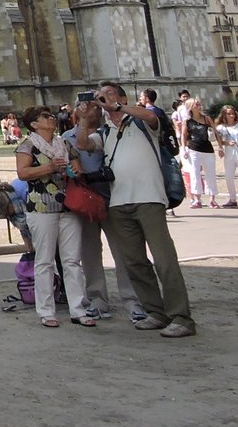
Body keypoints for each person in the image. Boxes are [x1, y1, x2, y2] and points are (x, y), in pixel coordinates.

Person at [84, 81, 196, 336]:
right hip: (119, 203)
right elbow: (83, 144)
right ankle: (155, 311)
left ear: (123, 98)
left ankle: (181, 317)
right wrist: (84, 118)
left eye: (109, 94)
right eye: (100, 96)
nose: (104, 99)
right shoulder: (104, 132)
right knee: (134, 262)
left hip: (149, 199)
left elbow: (150, 115)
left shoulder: (143, 122)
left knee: (164, 259)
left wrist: (119, 106)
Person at [64, 100, 141, 322]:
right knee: (89, 252)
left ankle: (132, 299)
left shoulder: (110, 133)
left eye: (96, 107)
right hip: (85, 199)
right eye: (86, 107)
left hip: (113, 196)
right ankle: (97, 298)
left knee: (122, 251)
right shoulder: (67, 137)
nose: (92, 111)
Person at [15, 105, 91, 327]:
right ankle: (46, 311)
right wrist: (49, 167)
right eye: (45, 117)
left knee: (71, 260)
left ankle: (78, 308)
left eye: (51, 116)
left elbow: (78, 168)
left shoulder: (64, 143)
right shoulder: (27, 146)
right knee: (45, 260)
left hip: (68, 205)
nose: (52, 119)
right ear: (34, 124)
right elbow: (23, 173)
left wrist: (74, 171)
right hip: (41, 207)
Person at [213, 104, 238, 209]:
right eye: (228, 114)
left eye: (232, 113)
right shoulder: (220, 128)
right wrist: (225, 143)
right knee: (229, 177)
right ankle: (232, 199)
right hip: (229, 154)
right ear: (224, 115)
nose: (231, 116)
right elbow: (217, 140)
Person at [181, 98, 218, 208]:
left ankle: (212, 198)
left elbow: (215, 132)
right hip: (193, 149)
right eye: (196, 104)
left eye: (199, 104)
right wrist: (184, 148)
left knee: (210, 174)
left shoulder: (207, 119)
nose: (198, 105)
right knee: (194, 174)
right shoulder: (187, 121)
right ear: (191, 107)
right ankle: (197, 199)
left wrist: (220, 146)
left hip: (208, 149)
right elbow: (183, 135)